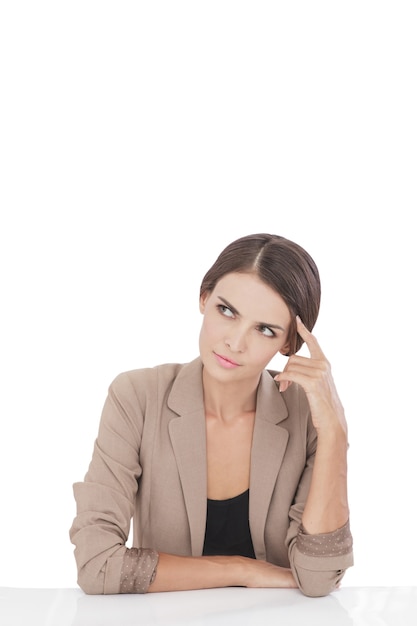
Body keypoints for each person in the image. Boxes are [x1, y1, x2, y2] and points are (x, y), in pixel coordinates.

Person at [69, 233, 353, 597]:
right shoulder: (137, 397)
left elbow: (318, 579)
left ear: (287, 344)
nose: (235, 342)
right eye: (227, 311)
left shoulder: (305, 415)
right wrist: (241, 569)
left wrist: (335, 432)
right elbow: (97, 566)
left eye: (264, 329)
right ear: (203, 299)